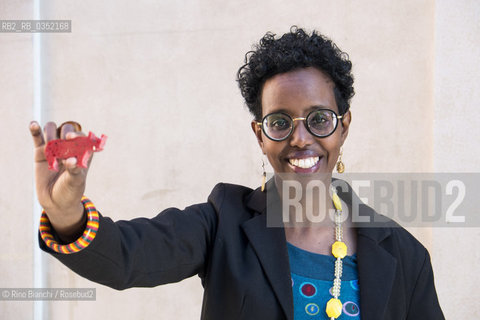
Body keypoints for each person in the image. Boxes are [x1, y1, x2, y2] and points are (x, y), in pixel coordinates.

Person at [30, 27, 444, 319]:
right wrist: (67, 214)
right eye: (280, 122)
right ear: (260, 136)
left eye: (319, 118)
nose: (300, 138)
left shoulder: (404, 256)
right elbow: (128, 257)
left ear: (344, 125)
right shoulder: (222, 222)